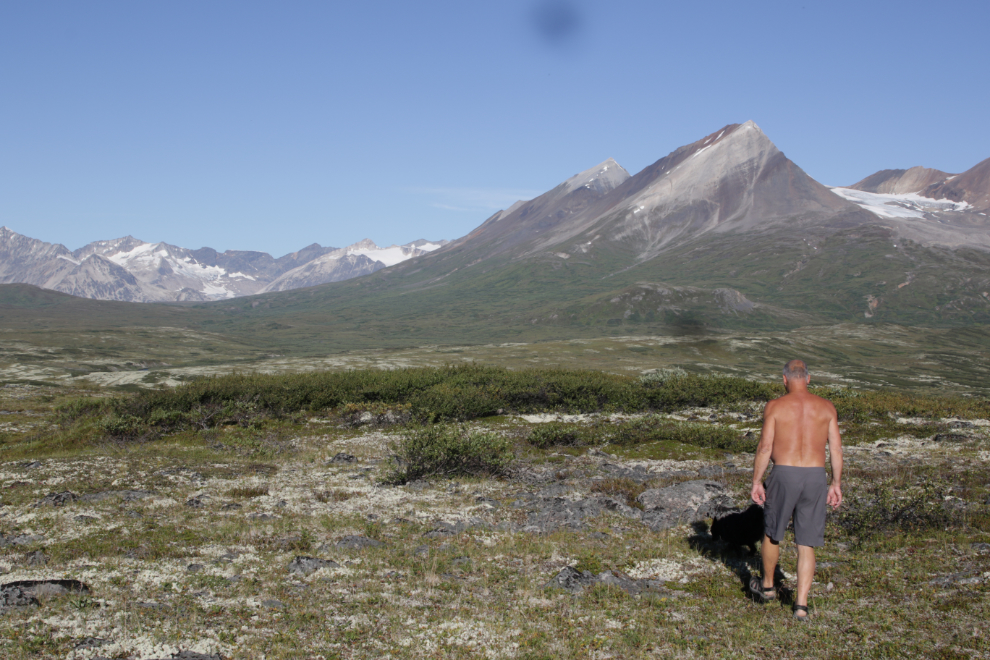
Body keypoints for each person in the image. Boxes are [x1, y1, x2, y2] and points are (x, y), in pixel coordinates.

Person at [749, 359, 843, 620]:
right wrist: (836, 484)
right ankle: (801, 605)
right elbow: (835, 449)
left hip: (784, 473)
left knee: (772, 532)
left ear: (784, 379)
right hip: (815, 476)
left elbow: (765, 448)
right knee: (807, 542)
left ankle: (768, 586)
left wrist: (757, 480)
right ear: (809, 379)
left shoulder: (776, 406)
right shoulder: (826, 408)